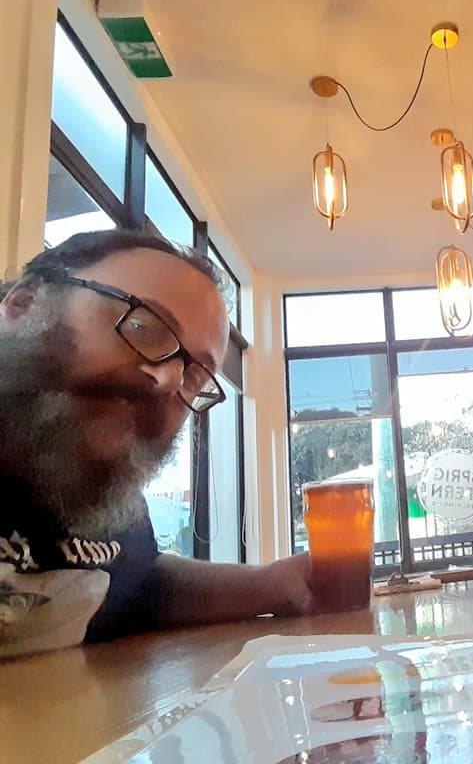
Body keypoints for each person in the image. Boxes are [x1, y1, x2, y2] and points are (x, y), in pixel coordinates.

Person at [0, 229, 318, 657]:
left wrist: (270, 584)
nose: (169, 379)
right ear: (23, 304)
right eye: (144, 328)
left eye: (195, 375)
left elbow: (136, 579)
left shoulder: (103, 497)